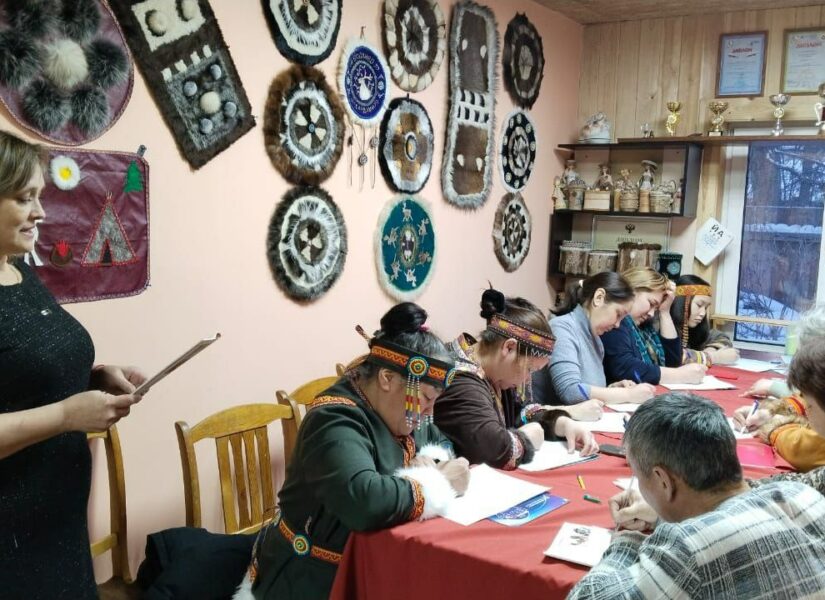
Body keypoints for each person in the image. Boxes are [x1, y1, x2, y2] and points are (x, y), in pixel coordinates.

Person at [237, 303, 470, 600]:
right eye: (425, 397)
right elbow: (364, 500)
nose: (429, 412)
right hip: (310, 576)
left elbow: (443, 442)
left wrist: (432, 464)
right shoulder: (333, 420)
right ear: (387, 379)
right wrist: (437, 482)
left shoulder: (405, 414)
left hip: (373, 563)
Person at [0, 130, 144, 598]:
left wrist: (94, 377)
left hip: (58, 523)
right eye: (25, 198)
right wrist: (66, 415)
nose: (41, 212)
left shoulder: (19, 271)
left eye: (40, 196)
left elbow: (23, 373)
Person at [568, 393, 825, 599]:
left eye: (637, 475)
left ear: (663, 481)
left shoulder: (689, 548)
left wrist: (626, 541)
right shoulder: (803, 495)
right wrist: (660, 516)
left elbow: (585, 597)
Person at [434, 288, 598, 470]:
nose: (527, 379)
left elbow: (521, 412)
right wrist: (525, 439)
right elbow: (493, 449)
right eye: (529, 369)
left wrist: (561, 423)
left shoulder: (492, 370)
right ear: (509, 348)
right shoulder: (460, 380)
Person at [533, 273, 654, 415]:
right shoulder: (561, 328)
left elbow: (588, 389)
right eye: (618, 314)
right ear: (599, 298)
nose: (617, 325)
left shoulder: (595, 339)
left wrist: (613, 390)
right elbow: (571, 391)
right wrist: (627, 394)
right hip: (552, 422)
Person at [601, 267, 706, 385]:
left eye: (656, 308)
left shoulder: (645, 328)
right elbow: (625, 367)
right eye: (651, 303)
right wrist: (678, 375)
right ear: (632, 291)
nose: (651, 314)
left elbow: (672, 362)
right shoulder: (615, 323)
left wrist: (665, 312)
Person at [670, 274, 739, 365]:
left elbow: (720, 336)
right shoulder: (661, 326)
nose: (703, 313)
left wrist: (711, 349)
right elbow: (672, 356)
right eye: (699, 305)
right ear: (681, 302)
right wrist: (714, 357)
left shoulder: (696, 328)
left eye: (705, 308)